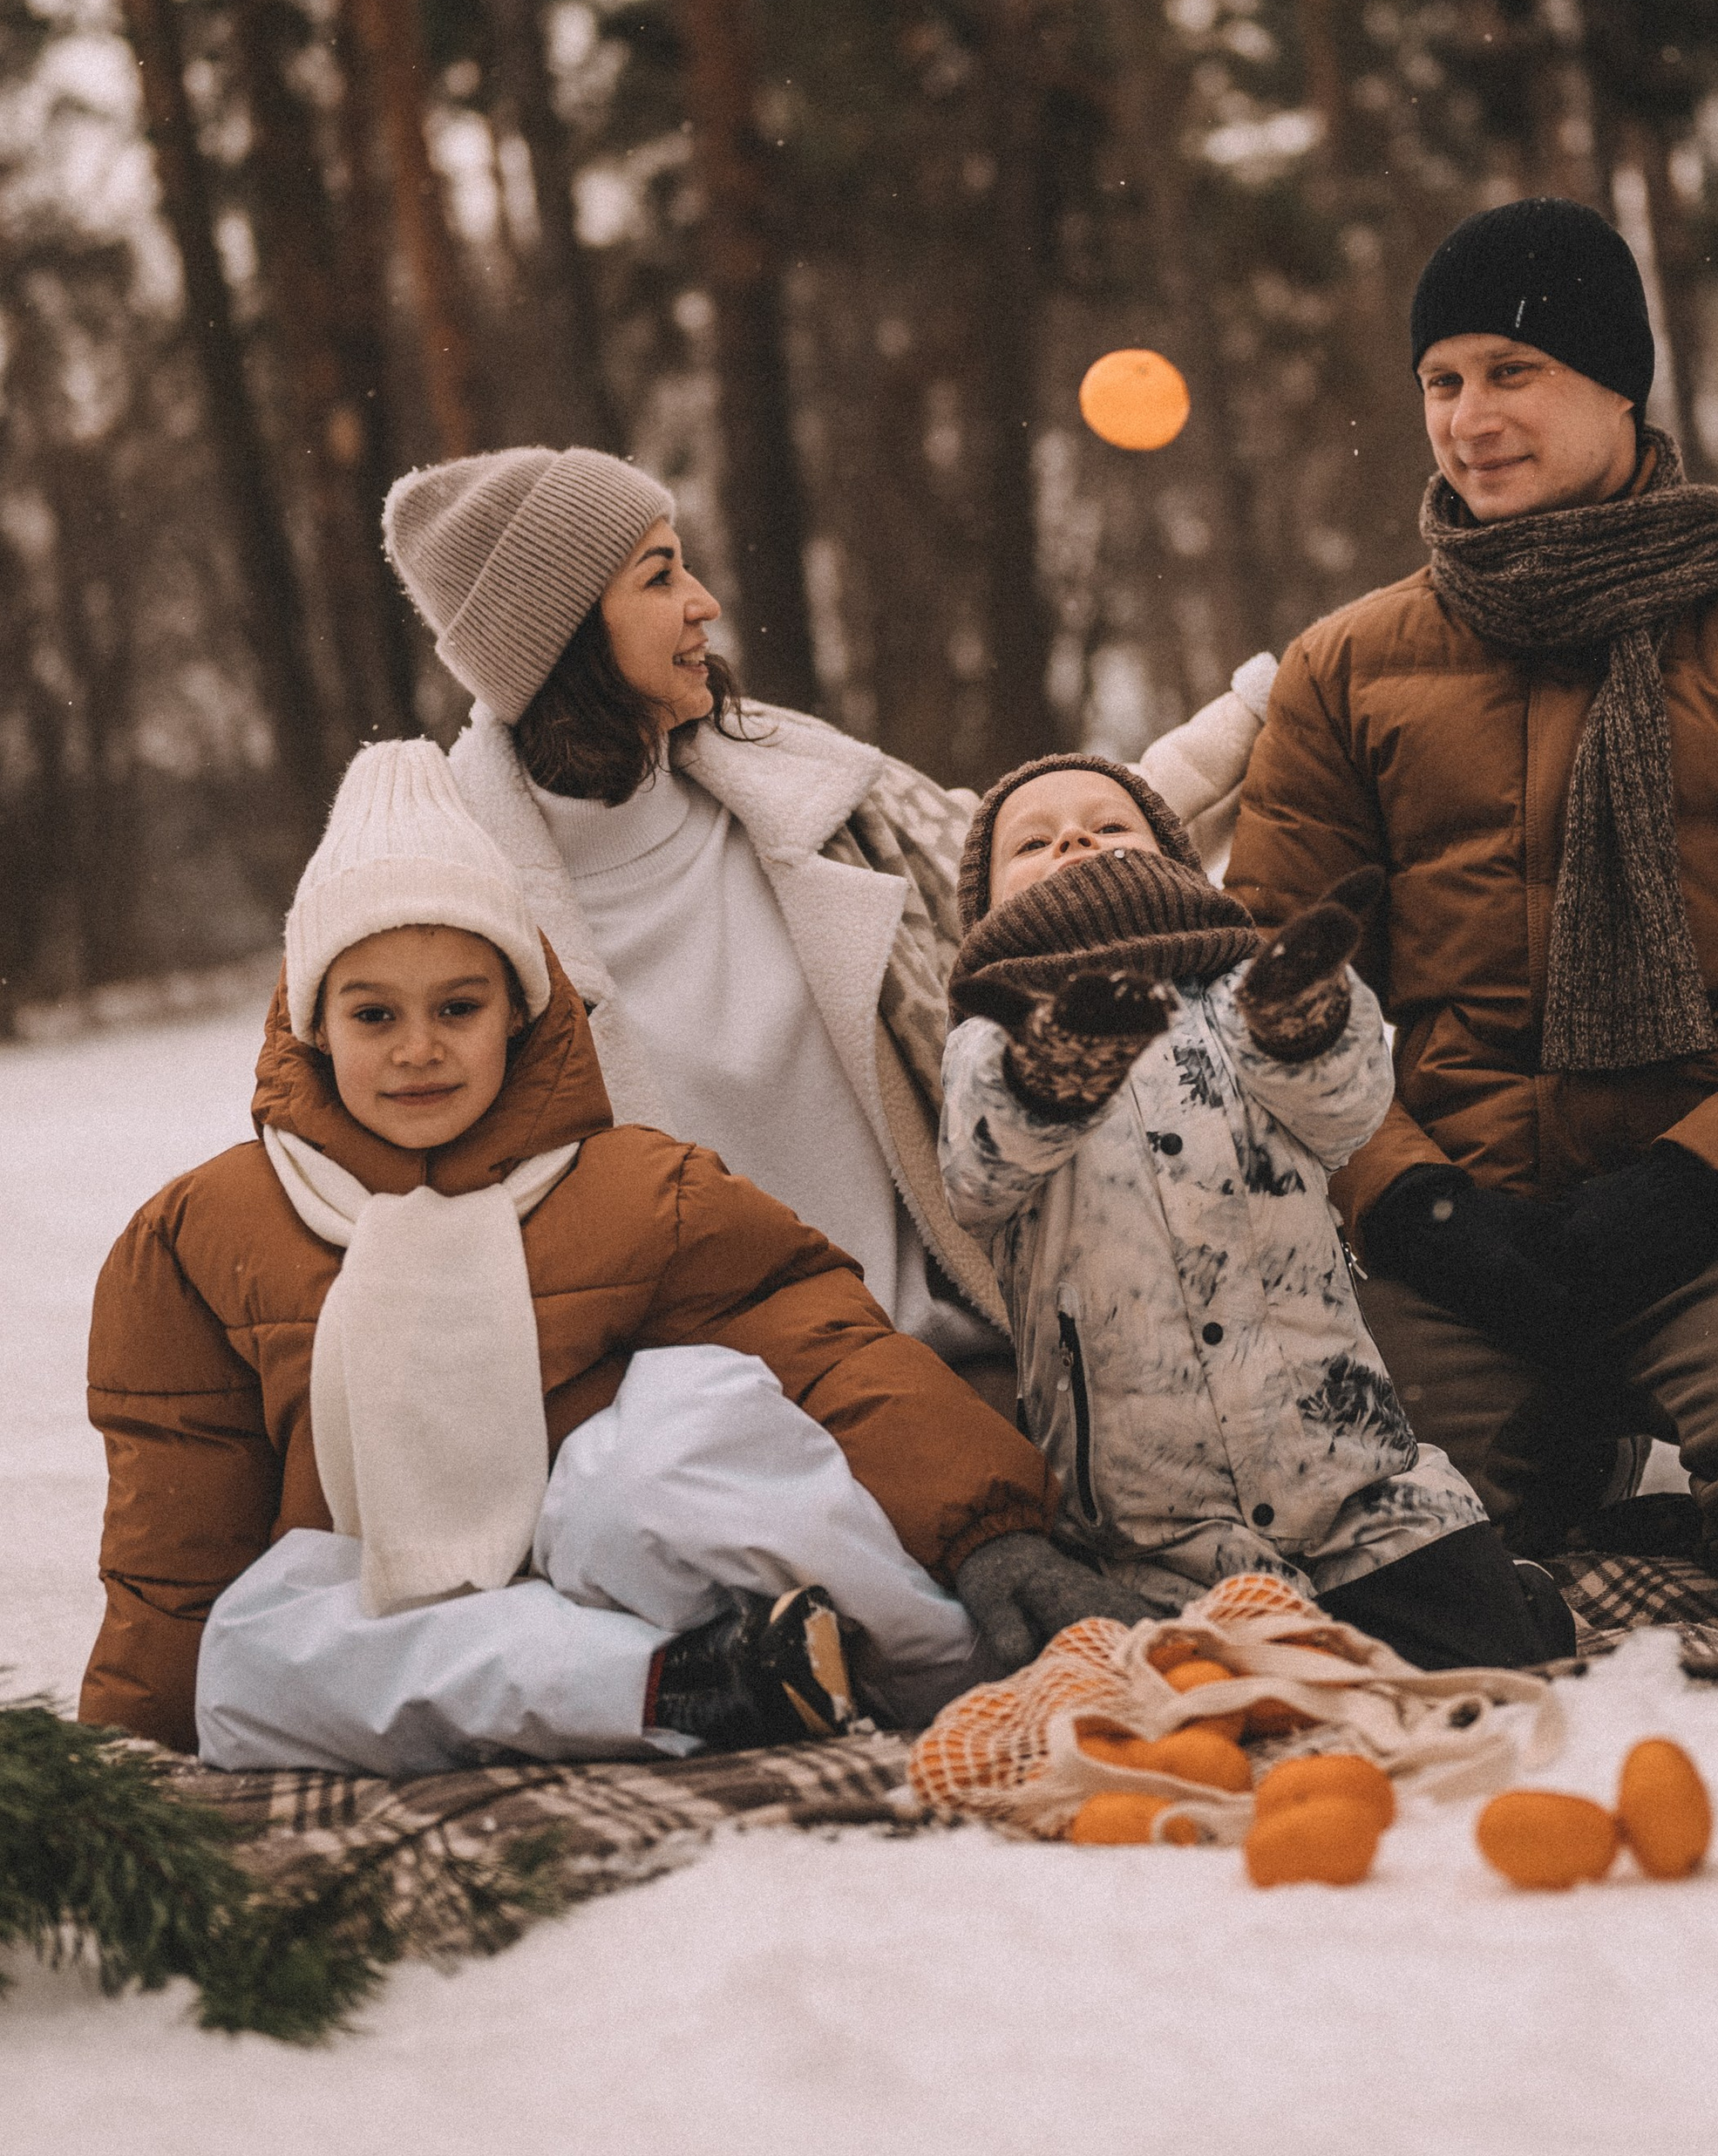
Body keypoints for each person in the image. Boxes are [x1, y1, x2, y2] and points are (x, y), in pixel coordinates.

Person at [1225, 197, 1718, 1582]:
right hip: (1467, 1236)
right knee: (1353, 1533)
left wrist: (1699, 1182)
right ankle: (1559, 1429)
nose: (1470, 418)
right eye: (1442, 382)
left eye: (1511, 371)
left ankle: (1680, 1389)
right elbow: (1274, 999)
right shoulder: (1346, 667)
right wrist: (1415, 1206)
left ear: (1616, 382)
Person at [79, 741, 1070, 1772]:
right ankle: (704, 1684)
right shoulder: (200, 1236)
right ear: (313, 1023)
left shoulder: (639, 1187)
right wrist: (121, 1764)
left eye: (457, 1007)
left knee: (667, 1438)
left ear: (519, 1009)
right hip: (420, 1641)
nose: (418, 1048)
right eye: (375, 1013)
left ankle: (936, 1659)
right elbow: (177, 1549)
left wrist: (990, 1531)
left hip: (623, 1570)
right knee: (250, 1647)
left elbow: (835, 1358)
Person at [380, 450, 1268, 1448]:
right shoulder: (455, 915)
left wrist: (1255, 721)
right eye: (660, 574)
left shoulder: (794, 784)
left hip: (970, 1366)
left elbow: (1012, 861)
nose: (703, 603)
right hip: (713, 1444)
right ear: (565, 629)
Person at [937, 753, 1574, 1669]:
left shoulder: (1244, 993)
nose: (1074, 840)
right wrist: (1051, 1073)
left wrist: (1307, 1019)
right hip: (1157, 1529)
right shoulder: (989, 1042)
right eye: (1031, 842)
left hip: (1355, 1481)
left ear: (1172, 862)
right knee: (1226, 1705)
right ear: (987, 910)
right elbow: (978, 1175)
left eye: (1109, 826)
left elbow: (1344, 1108)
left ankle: (1512, 1596)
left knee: (1493, 1660)